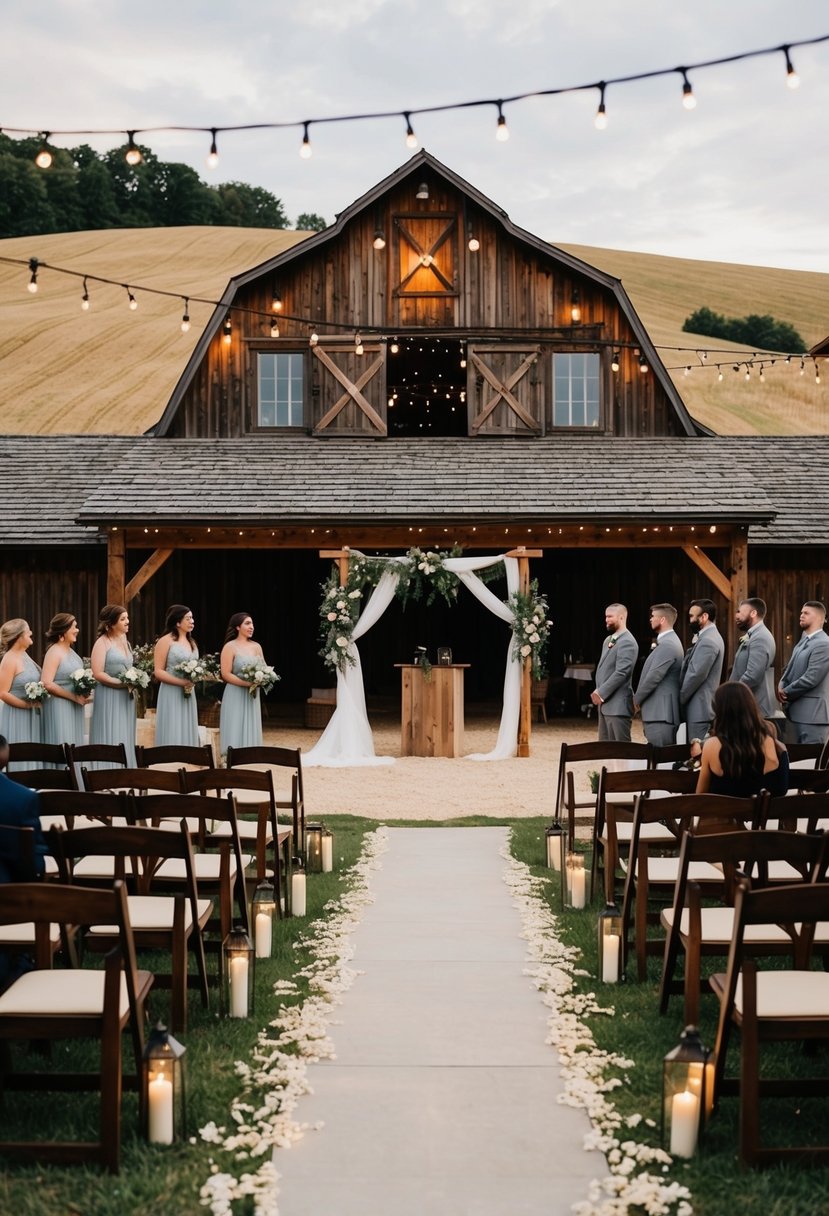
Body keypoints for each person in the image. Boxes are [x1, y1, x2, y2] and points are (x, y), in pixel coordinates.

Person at [695, 682, 789, 797]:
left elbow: (700, 795)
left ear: (720, 711)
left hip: (724, 813)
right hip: (760, 814)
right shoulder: (769, 742)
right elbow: (780, 790)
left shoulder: (711, 746)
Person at [89, 603, 137, 765]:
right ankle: (106, 768)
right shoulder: (102, 643)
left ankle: (126, 767)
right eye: (123, 619)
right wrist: (119, 682)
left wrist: (134, 679)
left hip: (126, 695)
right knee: (110, 730)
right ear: (111, 624)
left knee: (125, 731)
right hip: (109, 694)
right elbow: (97, 673)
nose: (127, 622)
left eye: (127, 618)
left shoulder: (125, 641)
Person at [777, 600, 829, 745]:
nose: (801, 615)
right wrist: (781, 683)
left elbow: (811, 678)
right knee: (794, 763)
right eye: (801, 612)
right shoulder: (803, 641)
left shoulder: (824, 644)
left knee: (810, 763)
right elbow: (789, 668)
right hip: (794, 713)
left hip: (813, 717)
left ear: (819, 618)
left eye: (806, 613)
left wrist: (785, 691)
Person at [633, 603, 683, 746]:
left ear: (662, 620)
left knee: (660, 760)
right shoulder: (668, 642)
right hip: (659, 713)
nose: (650, 619)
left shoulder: (668, 644)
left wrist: (635, 701)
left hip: (661, 714)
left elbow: (653, 677)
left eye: (653, 616)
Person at [41, 612, 92, 750]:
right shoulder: (54, 652)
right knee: (63, 743)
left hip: (75, 705)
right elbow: (47, 683)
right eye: (74, 627)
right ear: (63, 630)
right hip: (59, 706)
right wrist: (74, 697)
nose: (77, 630)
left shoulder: (71, 652)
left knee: (74, 745)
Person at [590, 603, 638, 742]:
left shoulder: (628, 641)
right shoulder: (608, 640)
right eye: (606, 616)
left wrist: (601, 692)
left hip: (618, 706)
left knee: (621, 752)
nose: (606, 619)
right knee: (605, 751)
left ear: (621, 617)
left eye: (610, 616)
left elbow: (622, 672)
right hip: (605, 706)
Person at [154, 604, 200, 748]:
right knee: (172, 724)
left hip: (188, 692)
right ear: (178, 622)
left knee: (187, 723)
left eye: (192, 618)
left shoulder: (192, 642)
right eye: (188, 618)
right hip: (171, 691)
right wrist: (181, 682)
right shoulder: (165, 641)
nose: (192, 621)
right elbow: (158, 671)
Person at [679, 598, 724, 743]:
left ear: (704, 617)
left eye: (692, 616)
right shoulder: (708, 637)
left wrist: (681, 697)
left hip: (699, 709)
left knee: (697, 756)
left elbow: (696, 674)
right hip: (700, 707)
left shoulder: (708, 640)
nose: (690, 620)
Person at [220, 612, 265, 754]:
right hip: (235, 692)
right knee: (235, 724)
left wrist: (263, 678)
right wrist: (246, 684)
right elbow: (225, 674)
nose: (251, 627)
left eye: (252, 623)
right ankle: (231, 757)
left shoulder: (256, 647)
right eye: (247, 623)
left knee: (251, 723)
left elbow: (264, 667)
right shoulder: (229, 647)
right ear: (237, 627)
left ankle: (250, 755)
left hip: (252, 694)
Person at [0, 619, 43, 768]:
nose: (31, 633)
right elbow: (3, 693)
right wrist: (27, 705)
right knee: (21, 758)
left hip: (32, 715)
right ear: (19, 636)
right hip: (17, 717)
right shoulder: (10, 659)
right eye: (28, 630)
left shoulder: (24, 655)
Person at [729, 597, 777, 719]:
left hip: (753, 707)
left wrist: (730, 693)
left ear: (753, 613)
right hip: (747, 705)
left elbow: (753, 674)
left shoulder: (760, 637)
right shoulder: (754, 635)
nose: (736, 616)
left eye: (739, 612)